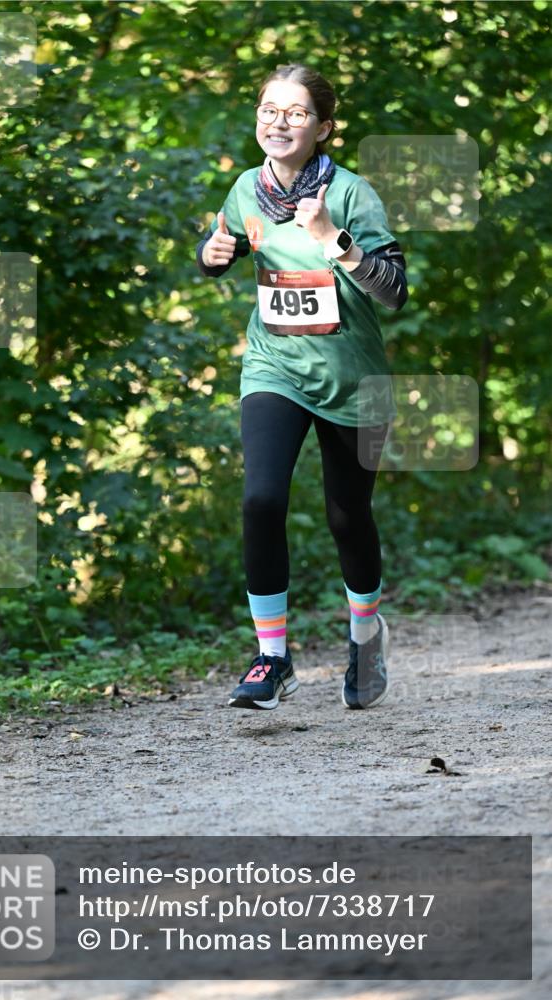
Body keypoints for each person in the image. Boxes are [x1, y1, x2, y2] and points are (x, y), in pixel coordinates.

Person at [195, 63, 408, 712]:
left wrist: (331, 241)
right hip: (273, 368)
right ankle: (271, 658)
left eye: (293, 113)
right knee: (260, 500)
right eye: (267, 109)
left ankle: (365, 635)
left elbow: (393, 290)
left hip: (352, 380)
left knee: (348, 516)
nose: (277, 122)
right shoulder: (243, 189)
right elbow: (228, 247)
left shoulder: (351, 194)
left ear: (322, 128)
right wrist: (211, 254)